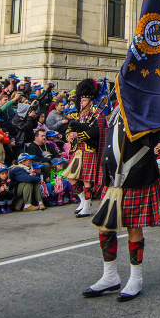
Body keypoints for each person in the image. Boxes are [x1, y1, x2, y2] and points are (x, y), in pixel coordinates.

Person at [64, 78, 106, 218]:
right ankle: (83, 200)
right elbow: (70, 128)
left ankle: (87, 205)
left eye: (83, 100)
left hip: (89, 149)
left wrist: (79, 135)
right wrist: (70, 136)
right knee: (71, 177)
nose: (80, 102)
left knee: (87, 179)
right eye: (80, 100)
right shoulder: (80, 114)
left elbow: (96, 132)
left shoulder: (97, 112)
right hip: (78, 151)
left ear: (90, 100)